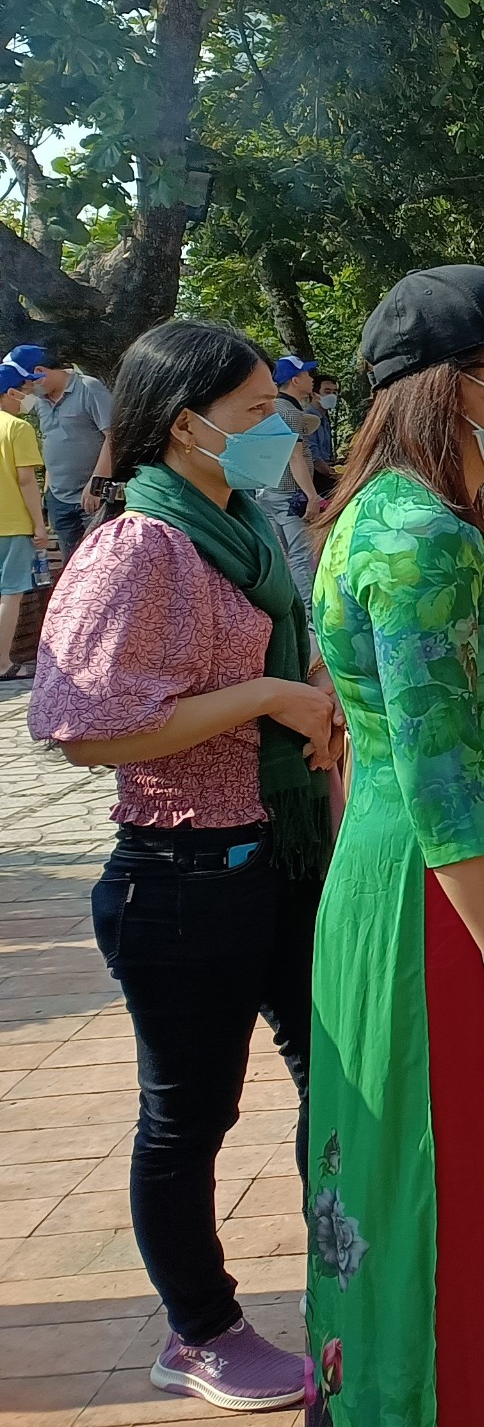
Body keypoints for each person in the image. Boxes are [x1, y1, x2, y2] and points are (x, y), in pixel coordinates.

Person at [303, 263, 484, 1427]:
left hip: (444, 885)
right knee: (459, 1181)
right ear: (444, 388)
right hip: (450, 911)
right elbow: (438, 780)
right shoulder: (418, 541)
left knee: (445, 1180)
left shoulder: (403, 516)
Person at [30, 320, 340, 1412]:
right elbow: (80, 724)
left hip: (289, 852)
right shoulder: (139, 548)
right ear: (181, 424)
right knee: (188, 1118)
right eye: (255, 414)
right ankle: (198, 1328)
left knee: (336, 1088)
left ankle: (346, 1278)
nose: (278, 430)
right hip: (182, 875)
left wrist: (313, 700)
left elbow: (280, 660)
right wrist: (265, 698)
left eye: (277, 410)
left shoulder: (242, 526)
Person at [12, 340, 114, 560]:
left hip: (92, 497)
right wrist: (47, 492)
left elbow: (114, 437)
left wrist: (97, 483)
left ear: (39, 372)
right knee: (70, 567)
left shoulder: (88, 388)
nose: (28, 388)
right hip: (58, 499)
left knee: (100, 563)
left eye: (28, 381)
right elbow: (52, 441)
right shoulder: (40, 401)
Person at [0, 363, 53, 678]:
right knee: (11, 593)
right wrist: (39, 524)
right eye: (26, 389)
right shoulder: (17, 429)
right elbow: (26, 481)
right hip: (12, 525)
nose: (30, 395)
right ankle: (3, 663)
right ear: (10, 393)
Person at [259, 356, 325, 603]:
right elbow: (295, 456)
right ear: (295, 380)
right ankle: (310, 610)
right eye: (307, 375)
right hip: (290, 493)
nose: (311, 379)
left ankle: (293, 604)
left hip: (267, 491)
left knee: (283, 554)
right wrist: (311, 495)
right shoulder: (289, 413)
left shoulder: (270, 409)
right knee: (301, 553)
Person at [308, 373, 342, 484]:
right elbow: (313, 456)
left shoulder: (324, 418)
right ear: (314, 394)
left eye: (334, 392)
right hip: (316, 476)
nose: (332, 396)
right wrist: (333, 475)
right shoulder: (308, 418)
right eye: (327, 392)